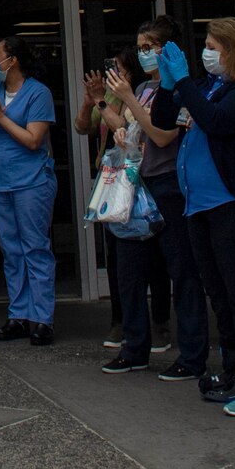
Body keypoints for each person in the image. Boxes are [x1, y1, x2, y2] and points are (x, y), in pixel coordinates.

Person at [152, 18, 235, 417]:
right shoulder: (209, 88)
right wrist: (168, 82)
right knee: (221, 299)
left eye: (213, 46)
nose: (207, 52)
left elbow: (218, 122)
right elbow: (161, 118)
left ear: (232, 49)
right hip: (202, 207)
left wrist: (185, 85)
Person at [99, 16, 208, 379]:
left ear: (168, 49)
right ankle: (135, 347)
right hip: (136, 183)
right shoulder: (145, 87)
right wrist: (121, 130)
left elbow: (163, 136)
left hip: (170, 186)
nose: (143, 54)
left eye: (148, 48)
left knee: (181, 271)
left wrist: (127, 98)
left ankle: (192, 355)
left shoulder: (182, 89)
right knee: (130, 270)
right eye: (140, 47)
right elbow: (136, 131)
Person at [74, 44, 171, 351]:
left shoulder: (139, 93)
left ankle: (159, 323)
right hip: (114, 176)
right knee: (118, 256)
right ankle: (121, 321)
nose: (111, 72)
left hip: (142, 175)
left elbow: (127, 128)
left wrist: (103, 100)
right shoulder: (119, 94)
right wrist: (91, 100)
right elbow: (82, 127)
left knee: (152, 255)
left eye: (117, 66)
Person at [0, 37, 57, 346]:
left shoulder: (38, 93)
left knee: (34, 247)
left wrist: (0, 118)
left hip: (32, 181)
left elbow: (34, 139)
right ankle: (18, 314)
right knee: (10, 250)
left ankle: (42, 318)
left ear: (14, 61)